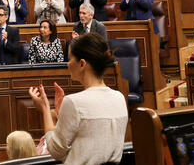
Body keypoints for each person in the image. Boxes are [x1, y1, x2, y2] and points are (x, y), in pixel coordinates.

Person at [28, 33, 128, 165]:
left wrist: (45, 108)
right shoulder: (119, 98)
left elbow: (55, 151)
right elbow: (90, 143)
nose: (68, 64)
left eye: (70, 59)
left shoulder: (74, 102)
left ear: (82, 64)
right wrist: (62, 114)